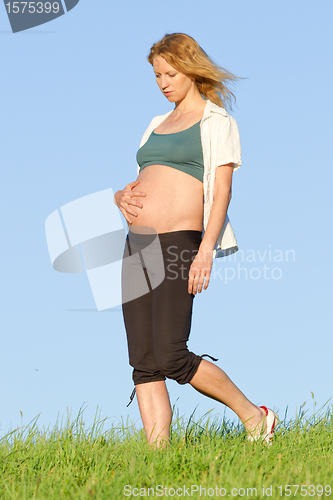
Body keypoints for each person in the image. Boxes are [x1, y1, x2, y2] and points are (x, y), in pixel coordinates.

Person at [114, 33, 277, 448]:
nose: (163, 82)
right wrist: (120, 195)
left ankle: (254, 416)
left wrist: (206, 249)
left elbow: (221, 191)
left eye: (170, 73)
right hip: (137, 245)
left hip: (179, 242)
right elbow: (144, 180)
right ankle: (159, 456)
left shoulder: (216, 120)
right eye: (156, 75)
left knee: (170, 354)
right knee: (143, 363)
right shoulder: (155, 124)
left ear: (190, 69)